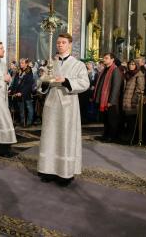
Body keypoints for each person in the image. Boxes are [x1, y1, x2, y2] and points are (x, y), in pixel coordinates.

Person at [37, 33, 89, 186]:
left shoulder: (78, 64)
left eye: (63, 42)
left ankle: (65, 173)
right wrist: (45, 84)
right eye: (58, 42)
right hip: (52, 103)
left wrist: (66, 81)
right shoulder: (50, 63)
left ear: (69, 45)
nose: (59, 45)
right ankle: (48, 170)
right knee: (49, 136)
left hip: (68, 104)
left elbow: (84, 83)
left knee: (65, 137)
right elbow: (41, 83)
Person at [92, 53, 123, 142]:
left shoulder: (115, 70)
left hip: (110, 101)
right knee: (106, 119)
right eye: (104, 58)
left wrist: (111, 101)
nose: (104, 60)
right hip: (103, 100)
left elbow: (116, 87)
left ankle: (111, 137)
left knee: (112, 120)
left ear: (112, 59)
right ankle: (105, 135)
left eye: (106, 58)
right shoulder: (105, 69)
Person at [121, 59, 145, 142]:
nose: (131, 66)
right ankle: (126, 137)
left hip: (132, 102)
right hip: (125, 100)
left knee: (132, 121)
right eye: (130, 64)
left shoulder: (139, 74)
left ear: (137, 65)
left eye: (133, 64)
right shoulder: (127, 74)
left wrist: (134, 100)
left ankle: (131, 139)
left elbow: (140, 89)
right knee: (127, 120)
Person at [12, 58, 34, 127]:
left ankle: (29, 122)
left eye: (22, 63)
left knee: (29, 108)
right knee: (21, 108)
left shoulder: (29, 72)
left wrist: (22, 92)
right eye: (20, 63)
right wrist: (12, 90)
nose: (21, 64)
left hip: (26, 93)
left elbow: (28, 84)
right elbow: (15, 82)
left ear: (26, 64)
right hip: (18, 93)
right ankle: (22, 121)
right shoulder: (19, 71)